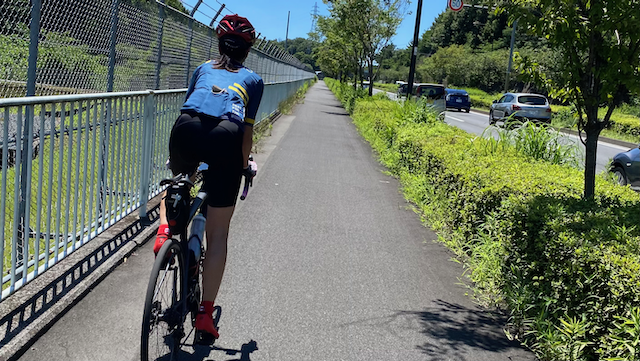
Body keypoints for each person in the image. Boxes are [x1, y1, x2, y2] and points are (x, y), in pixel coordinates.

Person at [153, 14, 264, 341]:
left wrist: (178, 157)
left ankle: (163, 230)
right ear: (247, 51)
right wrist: (244, 165)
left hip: (186, 130)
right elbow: (246, 134)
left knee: (177, 178)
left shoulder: (202, 68)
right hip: (226, 137)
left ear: (219, 44)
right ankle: (204, 316)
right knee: (218, 235)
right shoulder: (253, 81)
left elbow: (192, 108)